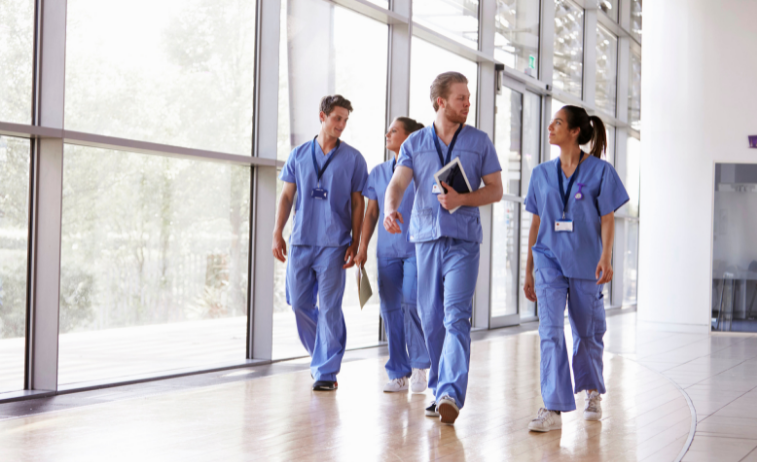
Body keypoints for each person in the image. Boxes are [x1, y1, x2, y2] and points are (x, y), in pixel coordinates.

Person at [384, 72, 503, 424]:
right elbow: (397, 183)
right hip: (425, 240)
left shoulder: (480, 142)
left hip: (464, 241)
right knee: (431, 318)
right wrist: (391, 209)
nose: (468, 103)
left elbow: (495, 189)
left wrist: (462, 199)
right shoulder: (415, 143)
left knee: (455, 316)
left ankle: (450, 390)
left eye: (468, 97)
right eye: (461, 98)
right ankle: (438, 388)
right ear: (441, 102)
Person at [523, 105, 629, 432]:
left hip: (586, 261)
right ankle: (553, 408)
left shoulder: (601, 171)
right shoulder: (541, 174)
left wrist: (606, 257)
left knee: (587, 332)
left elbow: (608, 217)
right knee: (550, 331)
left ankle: (592, 390)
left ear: (574, 132)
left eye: (558, 122)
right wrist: (528, 269)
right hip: (548, 261)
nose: (551, 126)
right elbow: (536, 221)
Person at [273, 95, 368, 392]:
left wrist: (356, 240)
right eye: (336, 118)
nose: (341, 125)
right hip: (301, 241)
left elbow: (357, 204)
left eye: (345, 120)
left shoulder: (353, 159)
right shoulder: (299, 155)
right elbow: (287, 196)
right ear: (322, 117)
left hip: (334, 244)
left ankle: (326, 370)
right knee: (299, 303)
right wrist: (277, 231)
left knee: (329, 308)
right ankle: (321, 355)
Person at [354, 117, 430, 394]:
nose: (387, 133)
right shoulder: (378, 172)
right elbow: (371, 212)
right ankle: (399, 371)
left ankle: (421, 364)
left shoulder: (422, 171)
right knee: (390, 310)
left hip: (416, 248)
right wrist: (362, 247)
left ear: (410, 137)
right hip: (386, 252)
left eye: (394, 130)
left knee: (410, 303)